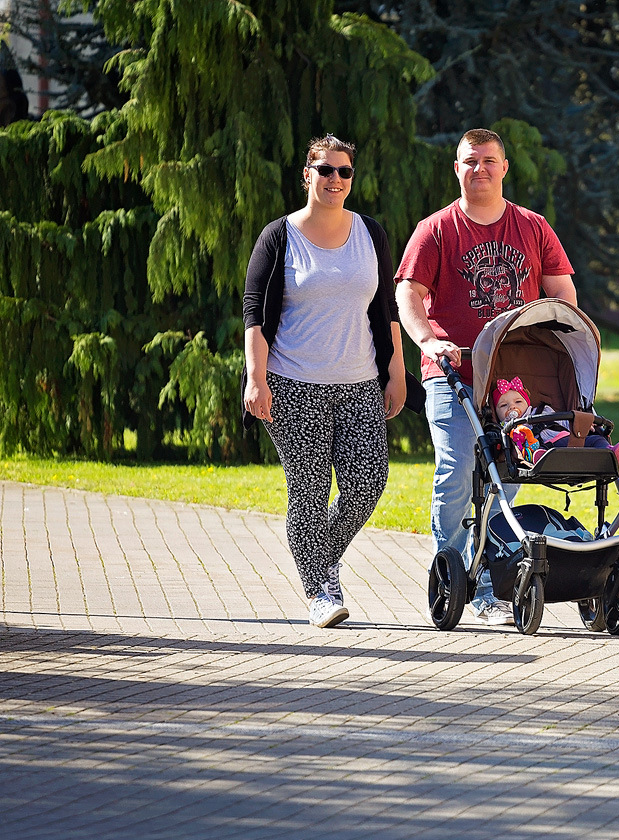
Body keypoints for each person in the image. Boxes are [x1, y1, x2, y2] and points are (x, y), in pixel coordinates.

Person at [396, 128, 577, 626]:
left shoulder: (533, 227)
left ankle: (492, 579)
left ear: (504, 167)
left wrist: (556, 345)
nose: (480, 169)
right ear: (457, 168)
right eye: (470, 161)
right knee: (457, 471)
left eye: (489, 160)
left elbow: (562, 295)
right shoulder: (435, 230)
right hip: (451, 374)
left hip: (512, 381)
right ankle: (453, 571)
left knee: (504, 480)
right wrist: (427, 340)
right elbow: (408, 294)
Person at [243, 133, 414, 629]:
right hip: (294, 383)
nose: (335, 179)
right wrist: (257, 379)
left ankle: (321, 556)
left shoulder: (370, 233)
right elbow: (255, 314)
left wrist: (395, 373)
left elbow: (385, 310)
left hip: (360, 382)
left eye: (343, 172)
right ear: (307, 175)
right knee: (310, 489)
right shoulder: (279, 236)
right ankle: (320, 589)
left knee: (367, 485)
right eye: (325, 170)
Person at [493, 376, 619, 465]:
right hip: (548, 448)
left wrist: (582, 424)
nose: (512, 406)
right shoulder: (508, 429)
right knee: (541, 451)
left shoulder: (543, 411)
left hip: (569, 438)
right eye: (503, 405)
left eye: (518, 401)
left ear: (528, 403)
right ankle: (541, 459)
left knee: (595, 439)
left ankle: (610, 453)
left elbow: (565, 421)